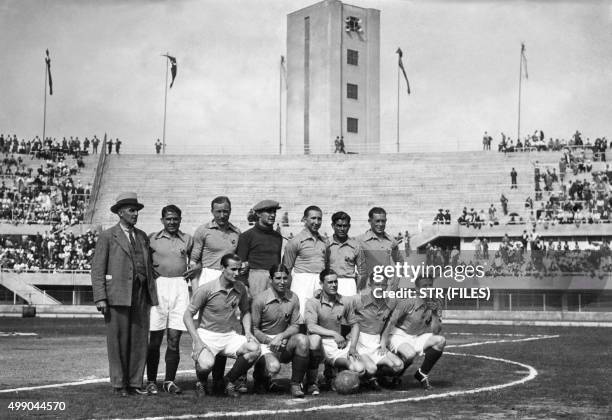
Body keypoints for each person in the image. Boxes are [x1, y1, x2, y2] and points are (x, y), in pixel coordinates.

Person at [91, 192, 158, 397]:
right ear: (120, 212)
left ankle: (135, 382)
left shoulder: (142, 236)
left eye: (136, 210)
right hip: (116, 295)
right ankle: (120, 384)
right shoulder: (107, 236)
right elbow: (97, 268)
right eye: (131, 210)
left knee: (139, 341)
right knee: (118, 340)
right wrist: (101, 297)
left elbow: (147, 266)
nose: (135, 214)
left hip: (140, 294)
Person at [183, 253, 261, 397]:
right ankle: (201, 382)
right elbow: (187, 316)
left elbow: (245, 311)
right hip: (207, 335)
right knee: (206, 365)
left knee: (255, 349)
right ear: (222, 268)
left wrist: (248, 333)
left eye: (239, 270)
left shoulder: (241, 288)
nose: (237, 273)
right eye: (233, 269)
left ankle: (228, 381)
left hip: (229, 335)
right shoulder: (206, 289)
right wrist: (197, 341)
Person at [144, 205, 193, 395]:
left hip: (180, 287)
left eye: (175, 219)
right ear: (162, 220)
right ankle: (151, 381)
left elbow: (197, 261)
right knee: (154, 339)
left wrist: (196, 268)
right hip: (159, 287)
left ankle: (170, 381)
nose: (172, 222)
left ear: (180, 219)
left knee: (174, 339)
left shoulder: (188, 239)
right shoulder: (152, 239)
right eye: (168, 219)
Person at [251, 264, 309, 398]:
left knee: (303, 340)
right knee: (273, 367)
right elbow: (253, 329)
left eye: (285, 278)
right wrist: (270, 341)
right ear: (270, 279)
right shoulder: (259, 299)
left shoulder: (293, 297)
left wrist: (282, 336)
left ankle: (295, 384)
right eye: (278, 278)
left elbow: (295, 325)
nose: (282, 282)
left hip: (283, 342)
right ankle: (260, 379)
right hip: (264, 343)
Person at [304, 269, 365, 394]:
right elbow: (311, 327)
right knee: (314, 340)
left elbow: (355, 325)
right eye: (330, 282)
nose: (334, 285)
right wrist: (335, 334)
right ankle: (311, 383)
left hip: (337, 345)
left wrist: (352, 347)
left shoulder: (344, 301)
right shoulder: (313, 302)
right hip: (320, 344)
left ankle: (334, 378)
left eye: (335, 282)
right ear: (321, 284)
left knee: (359, 369)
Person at [382, 276, 446, 391]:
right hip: (398, 335)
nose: (427, 288)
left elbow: (436, 331)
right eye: (424, 286)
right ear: (417, 288)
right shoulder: (407, 302)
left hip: (416, 336)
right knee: (410, 354)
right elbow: (390, 321)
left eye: (430, 285)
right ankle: (388, 374)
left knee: (440, 341)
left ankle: (421, 373)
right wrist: (383, 342)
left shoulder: (436, 302)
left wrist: (435, 313)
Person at [354, 274, 404, 389]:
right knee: (371, 368)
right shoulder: (358, 300)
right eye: (377, 284)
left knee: (398, 365)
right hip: (360, 344)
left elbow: (388, 323)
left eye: (383, 285)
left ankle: (378, 377)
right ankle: (357, 374)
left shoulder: (390, 302)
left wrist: (383, 342)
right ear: (369, 285)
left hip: (376, 342)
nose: (380, 288)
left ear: (387, 286)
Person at [282, 206, 328, 316]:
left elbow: (325, 263)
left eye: (319, 219)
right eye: (313, 218)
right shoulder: (295, 241)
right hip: (302, 282)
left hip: (319, 282)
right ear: (304, 219)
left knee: (320, 315)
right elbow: (286, 268)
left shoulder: (325, 242)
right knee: (301, 315)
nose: (316, 222)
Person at [187, 196, 240, 290]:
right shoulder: (203, 230)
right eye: (218, 212)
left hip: (229, 276)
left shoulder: (236, 232)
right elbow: (193, 262)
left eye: (225, 211)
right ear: (212, 211)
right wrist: (195, 289)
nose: (222, 215)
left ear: (230, 211)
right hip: (208, 276)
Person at [236, 200, 283, 297]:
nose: (273, 215)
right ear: (258, 214)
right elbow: (240, 265)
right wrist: (244, 286)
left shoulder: (277, 237)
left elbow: (278, 262)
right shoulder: (246, 236)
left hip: (273, 281)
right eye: (269, 212)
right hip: (254, 280)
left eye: (274, 212)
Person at [357, 207, 403, 291]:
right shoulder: (360, 241)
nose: (381, 224)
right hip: (367, 288)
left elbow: (399, 261)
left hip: (387, 287)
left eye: (383, 221)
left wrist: (396, 282)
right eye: (377, 221)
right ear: (370, 221)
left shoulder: (392, 241)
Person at [327, 211, 366, 297]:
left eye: (345, 226)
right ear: (333, 226)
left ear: (349, 226)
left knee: (349, 309)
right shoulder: (326, 244)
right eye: (339, 226)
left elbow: (362, 272)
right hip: (330, 282)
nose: (342, 229)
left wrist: (357, 289)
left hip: (348, 284)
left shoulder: (356, 246)